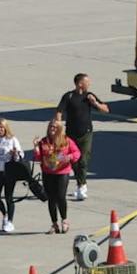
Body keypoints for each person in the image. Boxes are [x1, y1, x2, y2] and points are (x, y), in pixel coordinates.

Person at [56, 73, 108, 202]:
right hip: (71, 134)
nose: (89, 84)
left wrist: (95, 103)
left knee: (83, 160)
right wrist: (59, 127)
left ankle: (81, 186)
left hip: (86, 133)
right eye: (87, 82)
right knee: (73, 161)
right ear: (80, 84)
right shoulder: (68, 96)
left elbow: (106, 109)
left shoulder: (89, 96)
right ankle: (81, 184)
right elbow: (59, 112)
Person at [34, 118, 81, 234]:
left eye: (55, 127)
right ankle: (54, 223)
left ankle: (64, 220)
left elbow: (77, 153)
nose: (52, 129)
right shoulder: (44, 142)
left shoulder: (66, 141)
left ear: (59, 129)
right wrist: (35, 147)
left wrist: (70, 157)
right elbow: (38, 158)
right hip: (48, 173)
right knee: (51, 199)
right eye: (50, 127)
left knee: (61, 197)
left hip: (62, 173)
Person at [0, 119, 25, 233]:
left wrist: (15, 153)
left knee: (9, 197)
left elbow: (21, 154)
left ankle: (10, 222)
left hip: (9, 172)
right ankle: (5, 214)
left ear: (6, 128)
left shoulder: (12, 139)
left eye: (1, 127)